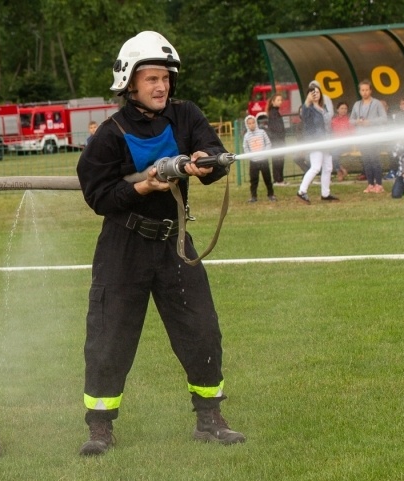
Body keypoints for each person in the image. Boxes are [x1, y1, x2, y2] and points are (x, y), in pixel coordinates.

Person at [76, 31, 245, 456]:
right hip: (123, 247)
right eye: (150, 78)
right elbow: (98, 196)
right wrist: (142, 188)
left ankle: (209, 418)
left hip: (175, 245)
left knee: (202, 330)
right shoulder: (111, 133)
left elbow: (213, 150)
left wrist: (207, 164)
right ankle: (100, 427)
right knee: (110, 337)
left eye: (165, 78)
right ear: (129, 83)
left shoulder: (185, 115)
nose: (161, 86)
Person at [296, 82, 337, 203]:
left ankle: (325, 194)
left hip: (325, 141)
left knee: (328, 167)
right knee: (315, 167)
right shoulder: (307, 108)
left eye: (317, 92)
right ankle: (301, 191)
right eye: (312, 92)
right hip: (315, 142)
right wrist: (309, 101)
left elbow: (327, 119)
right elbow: (304, 114)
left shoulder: (322, 107)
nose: (315, 94)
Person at [349, 80, 388, 193]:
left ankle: (379, 184)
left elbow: (384, 118)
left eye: (367, 90)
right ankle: (370, 184)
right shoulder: (357, 104)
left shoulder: (376, 103)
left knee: (375, 159)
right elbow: (351, 120)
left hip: (374, 137)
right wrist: (357, 121)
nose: (365, 92)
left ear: (370, 90)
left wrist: (370, 122)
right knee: (366, 160)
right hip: (362, 137)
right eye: (362, 90)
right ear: (360, 91)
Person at [243, 114, 275, 202]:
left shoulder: (262, 132)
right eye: (249, 123)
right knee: (253, 180)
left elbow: (268, 143)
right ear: (247, 125)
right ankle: (254, 196)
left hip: (263, 160)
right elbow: (245, 147)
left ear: (256, 123)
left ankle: (271, 194)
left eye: (253, 123)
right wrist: (250, 155)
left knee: (267, 178)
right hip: (253, 162)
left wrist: (265, 152)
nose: (251, 125)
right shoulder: (246, 136)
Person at [266, 93, 287, 185]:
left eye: (281, 100)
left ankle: (280, 179)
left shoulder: (275, 112)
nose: (280, 102)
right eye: (278, 100)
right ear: (273, 102)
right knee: (277, 160)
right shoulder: (273, 113)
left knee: (280, 159)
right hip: (277, 141)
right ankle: (278, 179)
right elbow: (275, 128)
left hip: (279, 140)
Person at [330, 102, 355, 181]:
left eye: (345, 109)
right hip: (335, 144)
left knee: (333, 152)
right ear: (337, 110)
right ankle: (340, 169)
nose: (344, 110)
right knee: (329, 153)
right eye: (342, 108)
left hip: (346, 144)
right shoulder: (333, 121)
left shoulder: (349, 120)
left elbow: (353, 133)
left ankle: (339, 172)